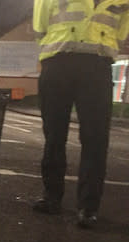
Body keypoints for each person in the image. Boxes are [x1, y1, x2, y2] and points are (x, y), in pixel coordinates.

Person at [32, 0, 129, 228]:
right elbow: (40, 29)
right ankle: (51, 197)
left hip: (98, 67)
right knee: (54, 136)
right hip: (58, 62)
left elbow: (121, 35)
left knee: (96, 140)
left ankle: (88, 207)